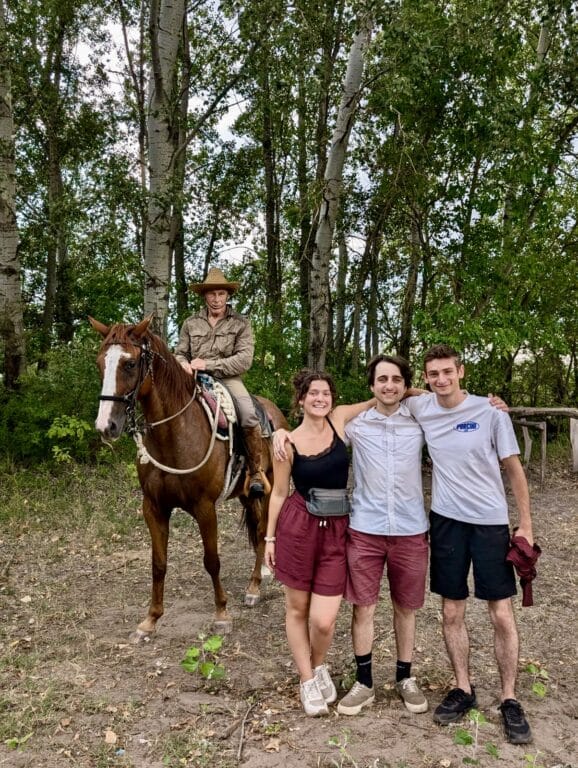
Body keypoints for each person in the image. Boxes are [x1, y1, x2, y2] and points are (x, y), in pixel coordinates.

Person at [404, 343, 534, 745]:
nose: (441, 379)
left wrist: (526, 524)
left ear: (461, 371)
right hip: (446, 522)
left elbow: (513, 470)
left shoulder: (490, 412)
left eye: (448, 371)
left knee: (501, 613)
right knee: (451, 610)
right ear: (426, 378)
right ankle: (463, 687)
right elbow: (398, 393)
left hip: (490, 523)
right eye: (433, 374)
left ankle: (509, 698)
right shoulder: (422, 406)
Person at [264, 371, 374, 717]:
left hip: (337, 530)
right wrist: (270, 538)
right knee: (297, 609)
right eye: (313, 393)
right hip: (298, 529)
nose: (320, 398)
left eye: (326, 393)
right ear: (301, 400)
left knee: (324, 620)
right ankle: (307, 679)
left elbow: (380, 398)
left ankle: (317, 665)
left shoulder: (339, 420)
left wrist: (418, 391)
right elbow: (279, 493)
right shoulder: (286, 443)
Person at [336, 354, 429, 717]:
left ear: (406, 385)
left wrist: (415, 394)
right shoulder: (357, 425)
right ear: (371, 385)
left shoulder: (419, 421)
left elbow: (447, 403)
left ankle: (405, 677)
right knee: (363, 607)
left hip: (410, 529)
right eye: (382, 379)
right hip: (365, 529)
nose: (389, 385)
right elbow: (331, 415)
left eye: (396, 380)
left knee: (406, 608)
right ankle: (364, 683)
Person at [174, 267, 264, 497]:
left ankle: (255, 471)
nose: (216, 299)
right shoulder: (190, 323)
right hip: (192, 377)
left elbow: (244, 360)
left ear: (228, 295)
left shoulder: (241, 323)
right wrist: (182, 363)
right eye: (212, 294)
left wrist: (208, 364)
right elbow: (180, 352)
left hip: (228, 378)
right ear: (204, 296)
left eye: (221, 294)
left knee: (248, 413)